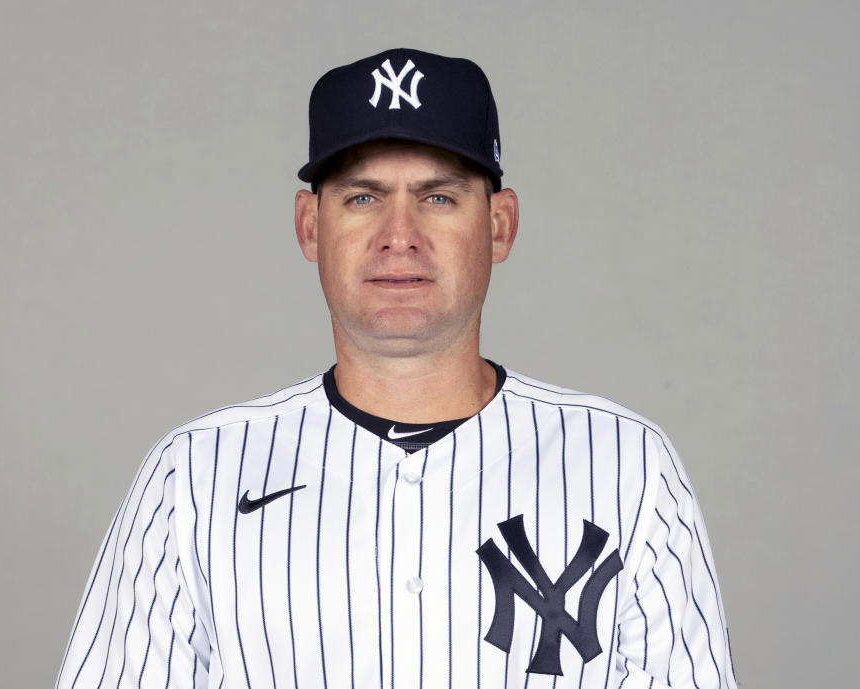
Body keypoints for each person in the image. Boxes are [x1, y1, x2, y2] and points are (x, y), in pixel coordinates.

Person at [57, 48, 736, 689]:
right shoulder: (196, 476)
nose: (399, 233)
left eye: (438, 197)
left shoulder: (625, 466)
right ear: (309, 226)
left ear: (500, 225)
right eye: (363, 197)